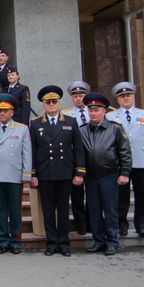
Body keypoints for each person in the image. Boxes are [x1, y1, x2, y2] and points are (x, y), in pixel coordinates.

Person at [30, 85, 86, 257]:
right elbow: (33, 150)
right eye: (48, 102)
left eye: (54, 102)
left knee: (63, 209)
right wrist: (33, 173)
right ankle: (51, 243)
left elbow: (78, 148)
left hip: (64, 172)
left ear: (59, 103)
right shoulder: (36, 123)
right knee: (48, 209)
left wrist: (79, 172)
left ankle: (64, 243)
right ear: (43, 105)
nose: (51, 105)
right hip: (45, 172)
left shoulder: (70, 121)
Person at [80, 92, 132, 256]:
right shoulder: (83, 130)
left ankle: (112, 241)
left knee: (110, 210)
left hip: (109, 175)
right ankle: (99, 241)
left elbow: (125, 152)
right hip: (91, 177)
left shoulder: (115, 128)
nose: (93, 114)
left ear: (104, 111)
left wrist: (125, 173)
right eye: (91, 111)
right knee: (94, 210)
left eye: (96, 110)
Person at [107, 82, 144, 238]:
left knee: (141, 195)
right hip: (120, 163)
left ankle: (141, 226)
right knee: (121, 196)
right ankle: (122, 225)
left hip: (140, 160)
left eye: (128, 96)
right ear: (118, 99)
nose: (126, 98)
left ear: (133, 97)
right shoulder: (111, 116)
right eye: (122, 96)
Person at [0, 93, 32, 255]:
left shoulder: (22, 129)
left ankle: (15, 240)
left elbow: (27, 153)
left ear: (12, 112)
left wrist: (27, 174)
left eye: (6, 110)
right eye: (0, 111)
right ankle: (2, 240)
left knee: (15, 209)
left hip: (14, 175)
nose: (2, 113)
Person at [61, 80, 91, 235]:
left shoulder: (94, 112)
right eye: (76, 96)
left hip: (93, 159)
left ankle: (93, 222)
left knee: (93, 194)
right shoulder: (66, 115)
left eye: (81, 96)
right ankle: (81, 224)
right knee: (77, 196)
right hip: (75, 159)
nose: (79, 99)